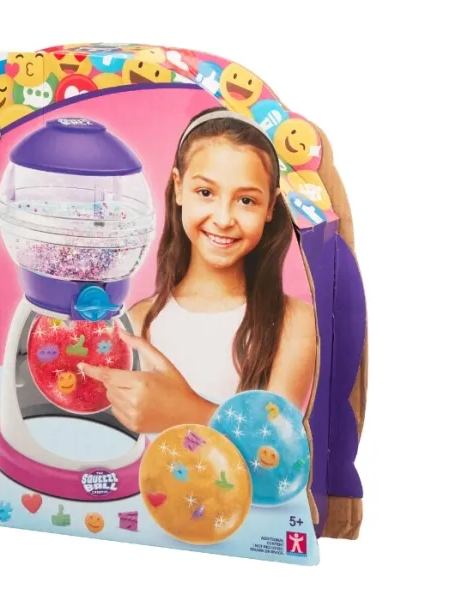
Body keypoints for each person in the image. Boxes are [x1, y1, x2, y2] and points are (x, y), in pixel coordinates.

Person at [80, 107, 317, 434]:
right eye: (206, 193)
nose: (223, 218)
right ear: (179, 187)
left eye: (246, 200)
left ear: (270, 207)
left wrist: (185, 410)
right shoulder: (139, 321)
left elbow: (275, 447)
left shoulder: (294, 321)